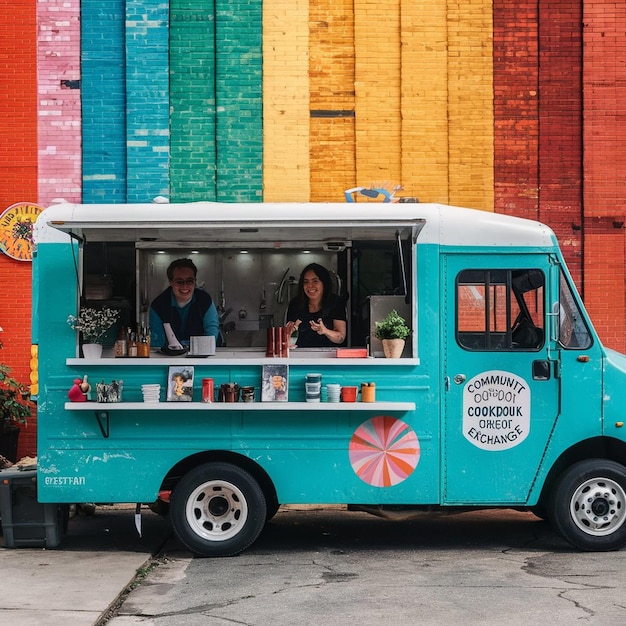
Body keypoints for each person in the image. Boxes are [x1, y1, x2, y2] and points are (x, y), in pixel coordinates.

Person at [150, 258, 219, 349]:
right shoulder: (158, 305)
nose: (185, 286)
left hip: (201, 355)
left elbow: (211, 335)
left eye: (189, 281)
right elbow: (157, 343)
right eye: (179, 282)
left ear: (195, 281)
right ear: (171, 282)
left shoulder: (205, 301)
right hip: (168, 356)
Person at [285, 263, 346, 347]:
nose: (310, 286)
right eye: (306, 282)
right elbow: (288, 336)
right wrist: (288, 335)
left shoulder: (335, 302)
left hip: (330, 356)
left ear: (324, 283)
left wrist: (325, 331)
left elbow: (341, 337)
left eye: (315, 281)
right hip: (300, 356)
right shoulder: (295, 304)